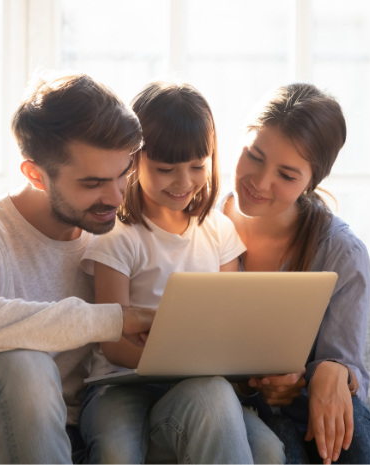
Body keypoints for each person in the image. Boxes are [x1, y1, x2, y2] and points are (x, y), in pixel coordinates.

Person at [0, 73, 156, 464]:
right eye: (93, 182)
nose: (115, 196)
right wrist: (112, 319)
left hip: (83, 441)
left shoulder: (113, 241)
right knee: (24, 362)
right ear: (35, 175)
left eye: (123, 174)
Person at [78, 81, 285, 464]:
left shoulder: (219, 231)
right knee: (117, 452)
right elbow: (111, 339)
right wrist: (176, 357)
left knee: (270, 450)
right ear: (132, 161)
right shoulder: (119, 238)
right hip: (122, 384)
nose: (184, 182)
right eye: (165, 169)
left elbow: (233, 317)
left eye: (197, 166)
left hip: (197, 382)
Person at [222, 83, 370, 464]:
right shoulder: (198, 230)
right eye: (253, 155)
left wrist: (329, 372)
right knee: (277, 432)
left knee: (330, 412)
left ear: (310, 183)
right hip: (241, 417)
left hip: (321, 419)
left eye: (286, 175)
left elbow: (348, 377)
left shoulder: (340, 251)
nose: (260, 181)